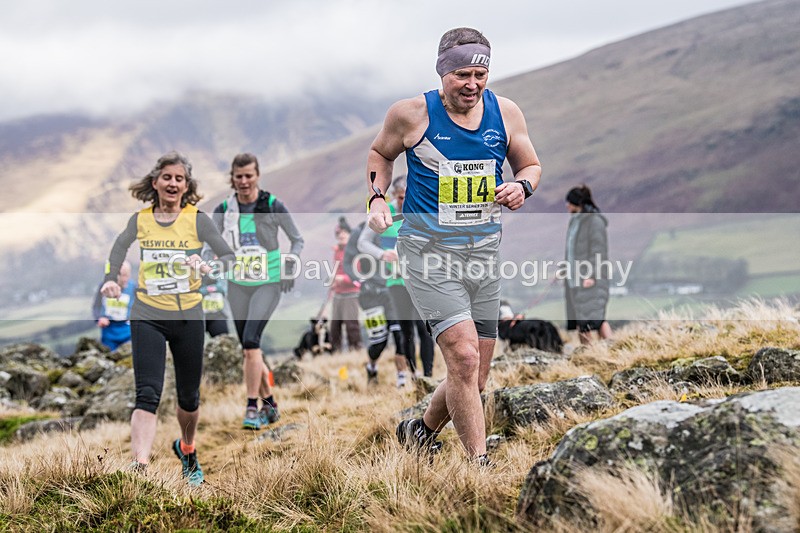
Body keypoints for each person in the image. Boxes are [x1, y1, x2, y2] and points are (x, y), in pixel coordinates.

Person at [366, 27, 541, 464]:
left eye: (480, 74)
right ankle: (478, 466)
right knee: (462, 358)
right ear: (443, 72)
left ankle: (420, 431)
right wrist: (376, 197)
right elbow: (380, 155)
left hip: (483, 254)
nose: (472, 84)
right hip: (428, 253)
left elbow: (531, 165)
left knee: (475, 375)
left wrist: (522, 186)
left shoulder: (506, 112)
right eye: (462, 74)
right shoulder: (410, 114)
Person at [101, 151, 235, 486]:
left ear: (186, 185)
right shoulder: (140, 220)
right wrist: (111, 278)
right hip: (147, 313)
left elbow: (228, 260)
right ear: (155, 182)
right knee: (147, 393)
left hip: (188, 314)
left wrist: (206, 268)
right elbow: (117, 251)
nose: (173, 183)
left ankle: (187, 449)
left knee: (189, 398)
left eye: (179, 179)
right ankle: (140, 467)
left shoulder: (197, 219)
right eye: (167, 177)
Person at [213, 153, 304, 431]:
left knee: (251, 342)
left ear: (257, 175)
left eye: (248, 175)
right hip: (237, 284)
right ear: (232, 178)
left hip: (268, 282)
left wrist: (290, 262)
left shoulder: (273, 204)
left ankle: (252, 406)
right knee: (248, 349)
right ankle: (271, 403)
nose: (243, 181)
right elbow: (212, 243)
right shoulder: (224, 210)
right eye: (238, 176)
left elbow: (297, 240)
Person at [359, 177, 435, 379]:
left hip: (420, 279)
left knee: (424, 327)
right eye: (400, 197)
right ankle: (413, 375)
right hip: (395, 281)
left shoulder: (421, 209)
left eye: (407, 197)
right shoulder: (385, 213)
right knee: (405, 329)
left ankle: (427, 375)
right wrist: (382, 254)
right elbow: (362, 243)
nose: (404, 201)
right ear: (393, 195)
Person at [564, 185, 612, 344]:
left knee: (594, 320)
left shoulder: (594, 221)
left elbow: (599, 251)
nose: (567, 206)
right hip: (575, 278)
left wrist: (591, 274)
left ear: (576, 202)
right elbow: (573, 251)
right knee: (583, 319)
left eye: (569, 202)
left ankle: (609, 350)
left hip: (590, 278)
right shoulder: (575, 221)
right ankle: (590, 354)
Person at [329, 217, 362, 353]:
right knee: (334, 327)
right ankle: (335, 354)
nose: (341, 235)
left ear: (349, 234)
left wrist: (343, 279)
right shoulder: (336, 251)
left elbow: (358, 273)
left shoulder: (355, 251)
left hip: (351, 293)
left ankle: (356, 352)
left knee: (351, 325)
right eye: (338, 233)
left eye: (344, 232)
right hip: (337, 293)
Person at [92, 260, 135, 350]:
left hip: (128, 330)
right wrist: (99, 318)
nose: (125, 279)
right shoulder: (104, 287)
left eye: (127, 275)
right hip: (109, 331)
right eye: (122, 275)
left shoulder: (133, 287)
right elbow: (96, 306)